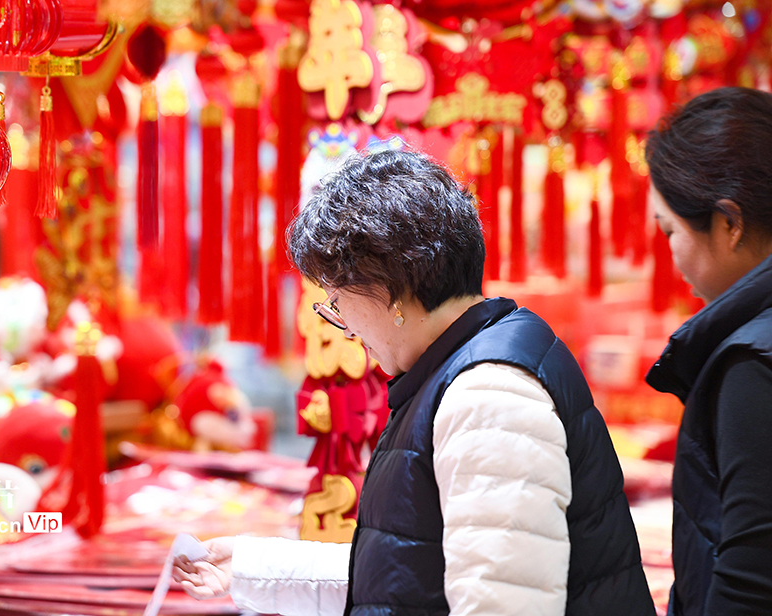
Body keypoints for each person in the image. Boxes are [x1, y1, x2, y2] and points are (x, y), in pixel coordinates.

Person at [174, 148, 654, 616]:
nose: (340, 322)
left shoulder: (489, 396)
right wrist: (252, 567)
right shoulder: (459, 371)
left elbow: (500, 601)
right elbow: (412, 571)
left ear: (390, 286)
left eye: (337, 299)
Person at [645, 87, 772, 616]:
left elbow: (751, 576)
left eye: (670, 229)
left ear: (730, 223)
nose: (670, 253)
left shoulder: (752, 365)